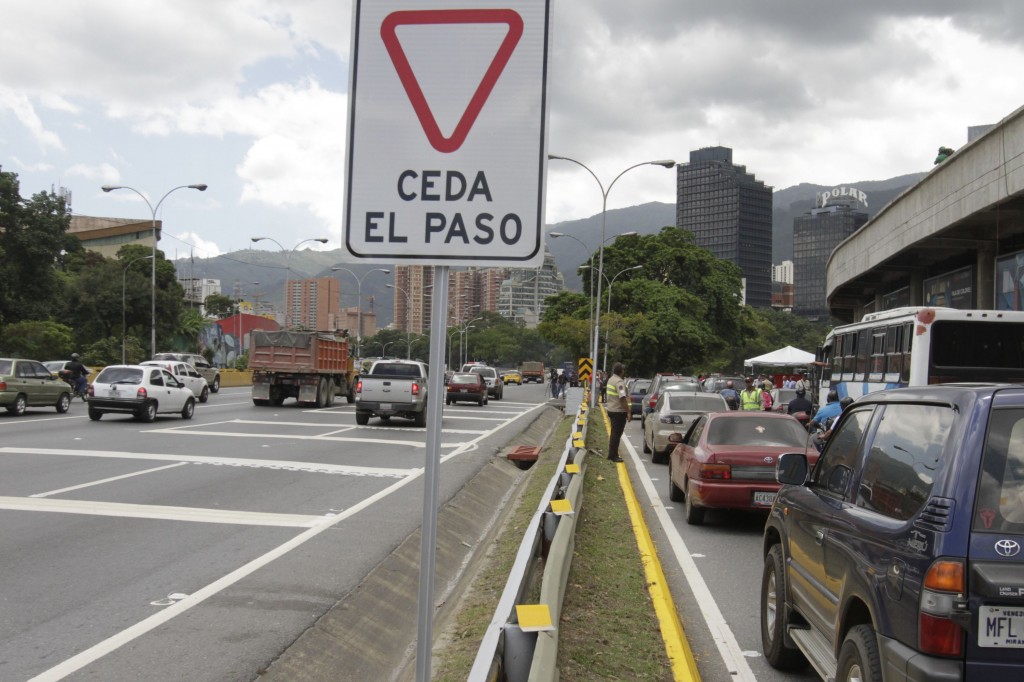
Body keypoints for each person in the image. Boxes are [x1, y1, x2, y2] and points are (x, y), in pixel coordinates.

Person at [604, 362, 631, 462]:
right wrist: (628, 412)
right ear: (621, 371)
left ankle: (612, 454)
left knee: (613, 433)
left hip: (611, 409)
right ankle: (613, 455)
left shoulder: (611, 380)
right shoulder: (619, 382)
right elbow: (622, 398)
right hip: (618, 411)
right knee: (616, 434)